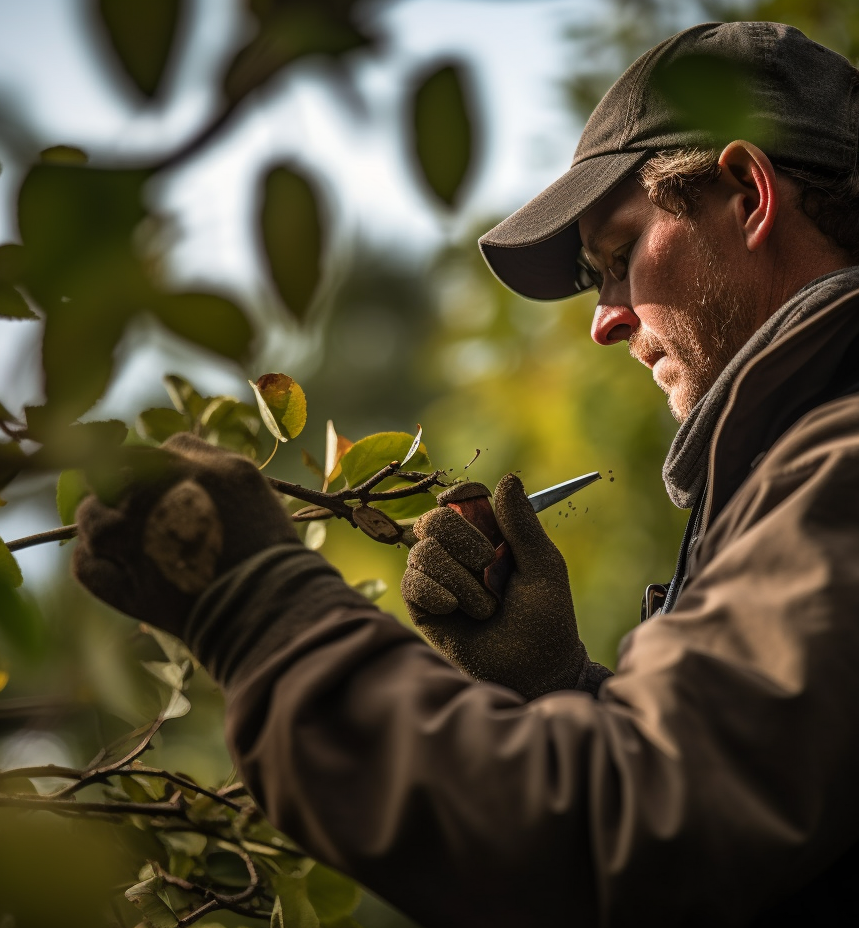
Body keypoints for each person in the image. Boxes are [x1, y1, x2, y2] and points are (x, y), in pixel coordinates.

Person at [73, 21, 859, 927]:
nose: (603, 322)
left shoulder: (840, 459)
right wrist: (561, 689)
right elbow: (747, 843)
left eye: (618, 256)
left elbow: (626, 835)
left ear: (751, 196)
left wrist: (260, 614)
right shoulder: (789, 463)